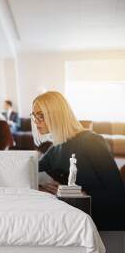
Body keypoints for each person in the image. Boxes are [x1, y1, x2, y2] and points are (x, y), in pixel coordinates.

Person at [32, 91, 125, 230]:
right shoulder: (55, 147)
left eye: (41, 116)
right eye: (34, 116)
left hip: (102, 225)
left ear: (57, 115)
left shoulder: (91, 141)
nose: (35, 121)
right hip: (74, 221)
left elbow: (117, 194)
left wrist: (80, 194)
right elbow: (33, 171)